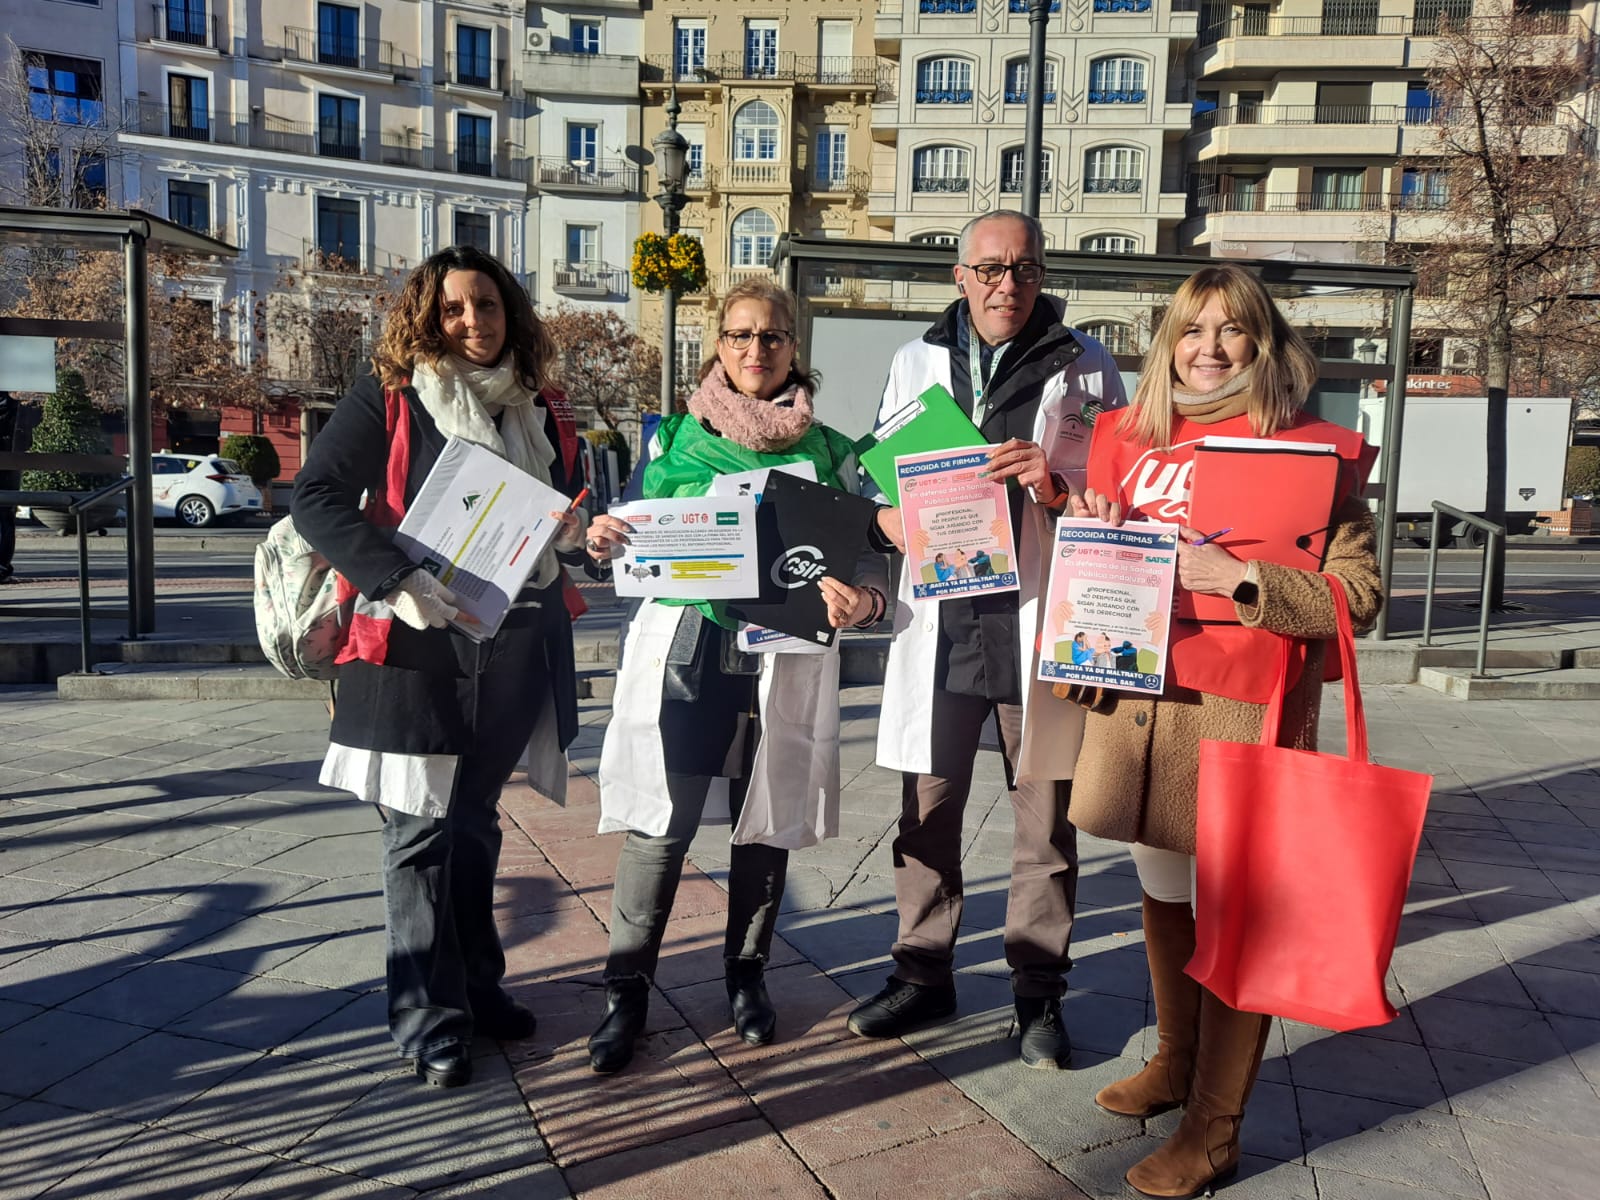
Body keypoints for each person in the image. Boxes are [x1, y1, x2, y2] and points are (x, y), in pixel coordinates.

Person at [1067, 262, 1381, 1198]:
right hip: (1138, 699)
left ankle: (1215, 1128)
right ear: (1168, 343)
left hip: (1243, 708)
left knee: (1235, 916)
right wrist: (1094, 534)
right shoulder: (1125, 437)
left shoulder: (1311, 448)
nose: (1209, 349)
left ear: (1261, 342)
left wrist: (1239, 582)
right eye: (1192, 330)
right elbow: (1104, 556)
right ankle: (1174, 1061)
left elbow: (1357, 599)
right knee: (1160, 882)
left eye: (1231, 330)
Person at [293, 246, 590, 1090]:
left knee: (476, 824)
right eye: (455, 308)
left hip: (513, 642)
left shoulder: (539, 403)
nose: (474, 322)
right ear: (428, 316)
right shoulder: (390, 394)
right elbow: (313, 496)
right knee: (418, 831)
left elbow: (560, 509)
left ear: (511, 313)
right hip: (414, 644)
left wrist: (573, 530)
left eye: (488, 306)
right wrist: (397, 578)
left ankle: (478, 988)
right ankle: (428, 1017)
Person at [584, 277, 892, 1075]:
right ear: (718, 345)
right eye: (741, 335)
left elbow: (878, 548)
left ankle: (746, 975)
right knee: (663, 823)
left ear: (796, 350)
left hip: (783, 653)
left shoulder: (831, 451)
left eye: (773, 337)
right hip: (693, 648)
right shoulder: (672, 440)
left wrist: (865, 601)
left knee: (767, 816)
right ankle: (626, 989)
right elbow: (629, 529)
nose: (757, 350)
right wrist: (606, 535)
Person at [850, 210, 1127, 1070]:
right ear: (960, 275)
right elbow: (881, 463)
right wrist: (886, 517)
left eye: (1027, 269)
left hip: (1037, 620)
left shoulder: (1089, 365)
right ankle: (922, 972)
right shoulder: (916, 361)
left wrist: (1057, 484)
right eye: (992, 268)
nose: (1010, 284)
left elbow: (1118, 499)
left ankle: (1037, 993)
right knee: (925, 812)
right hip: (941, 618)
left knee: (1046, 820)